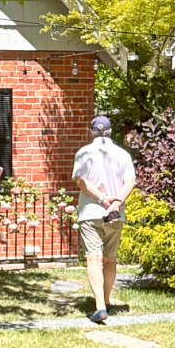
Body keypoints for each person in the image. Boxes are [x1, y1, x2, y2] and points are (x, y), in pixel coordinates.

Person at [72, 113, 136, 324]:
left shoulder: (84, 152)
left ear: (92, 132)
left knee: (93, 258)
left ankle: (100, 307)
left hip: (91, 212)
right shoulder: (123, 154)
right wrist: (116, 203)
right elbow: (130, 182)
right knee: (109, 259)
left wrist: (102, 199)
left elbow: (80, 181)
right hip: (115, 215)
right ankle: (107, 301)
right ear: (110, 132)